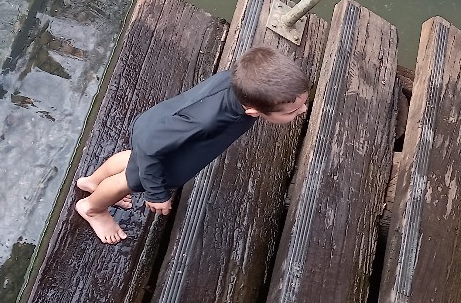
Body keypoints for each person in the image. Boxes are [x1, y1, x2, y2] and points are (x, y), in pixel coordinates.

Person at [75, 46, 310, 244]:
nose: (303, 110)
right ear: (253, 111)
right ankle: (93, 207)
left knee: (132, 159)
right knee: (130, 181)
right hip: (158, 148)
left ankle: (93, 182)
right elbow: (148, 147)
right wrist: (155, 193)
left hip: (161, 133)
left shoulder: (242, 84)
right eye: (292, 111)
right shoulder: (207, 120)